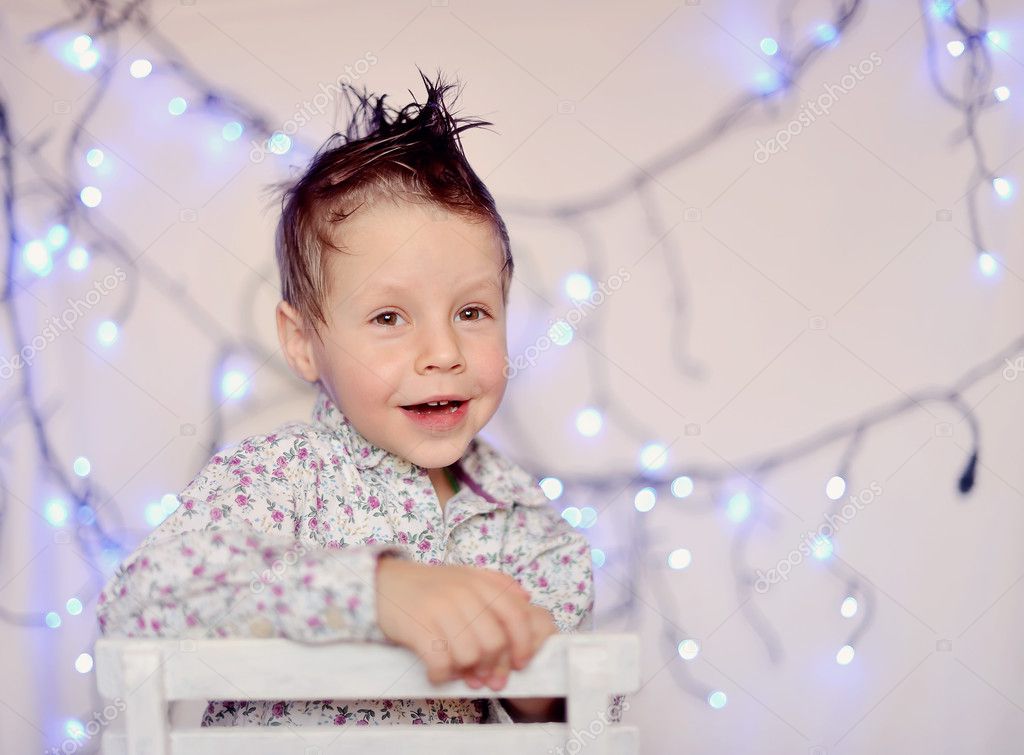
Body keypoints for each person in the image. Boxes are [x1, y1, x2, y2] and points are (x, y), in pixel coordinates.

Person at [96, 69, 612, 727]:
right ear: (304, 341)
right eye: (389, 317)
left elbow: (584, 715)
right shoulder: (272, 480)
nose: (443, 352)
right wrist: (376, 590)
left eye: (473, 311)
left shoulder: (526, 525)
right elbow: (140, 597)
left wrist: (536, 670)